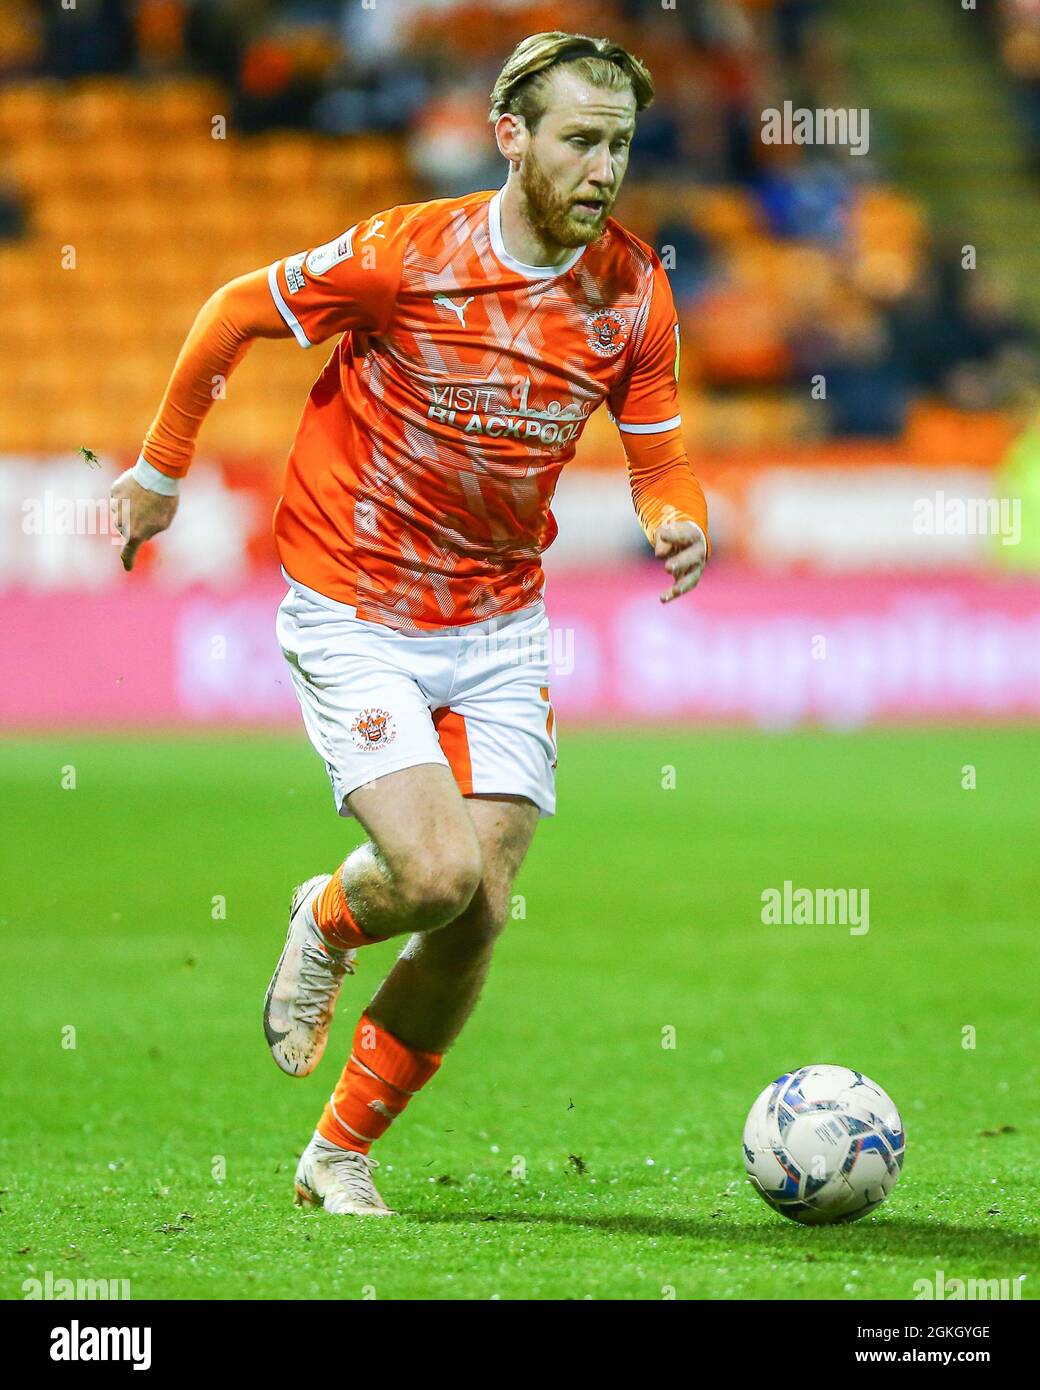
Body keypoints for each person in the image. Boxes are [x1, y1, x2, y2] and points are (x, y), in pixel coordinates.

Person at [110, 30, 710, 1216]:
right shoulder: (404, 256)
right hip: (357, 603)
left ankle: (337, 1154)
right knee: (432, 875)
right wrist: (161, 473)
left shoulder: (633, 290)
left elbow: (661, 451)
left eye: (620, 145)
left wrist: (675, 514)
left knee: (479, 912)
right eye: (579, 141)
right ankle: (328, 913)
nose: (602, 169)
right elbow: (234, 312)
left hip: (498, 619)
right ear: (511, 138)